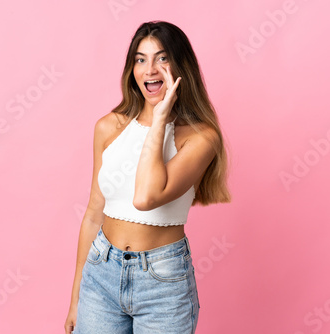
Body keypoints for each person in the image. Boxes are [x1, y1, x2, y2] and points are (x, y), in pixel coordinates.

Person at [64, 20, 232, 334]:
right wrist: (75, 297)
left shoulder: (200, 137)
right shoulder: (108, 127)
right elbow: (92, 214)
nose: (150, 69)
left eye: (162, 58)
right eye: (141, 59)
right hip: (101, 272)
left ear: (180, 67)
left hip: (162, 282)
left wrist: (161, 118)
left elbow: (146, 197)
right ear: (131, 69)